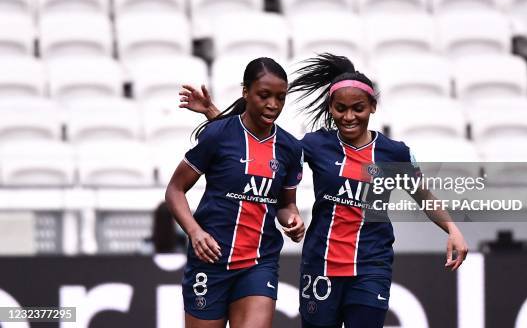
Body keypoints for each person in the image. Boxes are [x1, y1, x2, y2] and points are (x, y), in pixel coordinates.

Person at [181, 54, 469, 328]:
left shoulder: (394, 153)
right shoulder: (315, 145)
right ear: (331, 108)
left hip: (371, 265)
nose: (349, 117)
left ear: (372, 107)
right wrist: (213, 114)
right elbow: (262, 145)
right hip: (320, 266)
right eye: (340, 109)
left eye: (358, 108)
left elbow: (422, 195)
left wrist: (452, 229)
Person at [166, 57, 306, 328]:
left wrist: (293, 220)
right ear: (245, 92)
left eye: (280, 97)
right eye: (264, 95)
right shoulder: (218, 135)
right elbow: (175, 190)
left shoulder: (290, 148)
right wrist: (195, 232)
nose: (273, 105)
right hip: (210, 260)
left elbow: (286, 205)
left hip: (258, 263)